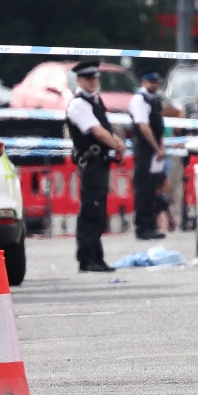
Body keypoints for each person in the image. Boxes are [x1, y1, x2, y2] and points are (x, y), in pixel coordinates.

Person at [66, 61, 125, 272]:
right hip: (91, 163)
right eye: (89, 78)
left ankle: (96, 257)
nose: (93, 82)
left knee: (98, 211)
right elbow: (97, 132)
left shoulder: (94, 101)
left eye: (95, 78)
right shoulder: (79, 104)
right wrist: (117, 145)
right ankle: (87, 258)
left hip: (100, 163)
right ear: (79, 80)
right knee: (91, 211)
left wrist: (117, 142)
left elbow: (105, 127)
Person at [128, 72, 167, 241]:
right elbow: (143, 127)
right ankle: (142, 227)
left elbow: (158, 127)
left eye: (156, 82)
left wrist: (161, 147)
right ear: (144, 82)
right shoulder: (140, 100)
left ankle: (150, 225)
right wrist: (156, 147)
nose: (154, 85)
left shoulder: (154, 100)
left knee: (152, 188)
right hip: (145, 149)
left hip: (153, 149)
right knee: (143, 188)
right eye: (151, 82)